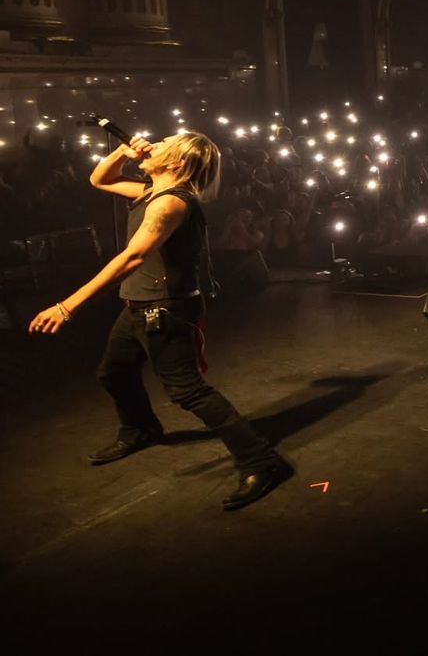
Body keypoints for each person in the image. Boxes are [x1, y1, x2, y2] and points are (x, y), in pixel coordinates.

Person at [28, 132, 293, 511]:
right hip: (138, 305)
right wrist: (122, 151)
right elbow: (98, 180)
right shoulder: (147, 192)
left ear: (178, 162)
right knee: (113, 372)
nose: (153, 144)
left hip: (164, 309)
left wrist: (67, 306)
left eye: (164, 143)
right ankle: (140, 429)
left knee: (188, 391)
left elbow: (132, 259)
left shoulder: (169, 204)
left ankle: (262, 461)